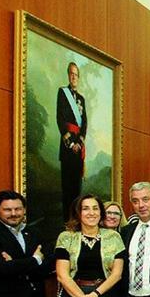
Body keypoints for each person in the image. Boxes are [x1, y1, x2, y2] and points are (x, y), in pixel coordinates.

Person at [57, 62, 87, 217]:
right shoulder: (62, 93)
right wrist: (71, 144)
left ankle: (76, 219)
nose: (74, 77)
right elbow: (60, 119)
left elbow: (85, 123)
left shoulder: (81, 98)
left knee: (77, 187)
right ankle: (66, 220)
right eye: (71, 74)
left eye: (76, 74)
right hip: (67, 148)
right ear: (68, 75)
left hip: (78, 149)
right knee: (67, 187)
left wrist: (80, 142)